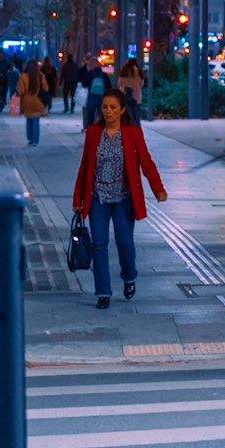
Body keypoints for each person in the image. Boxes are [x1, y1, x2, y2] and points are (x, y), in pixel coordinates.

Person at [72, 86, 167, 307]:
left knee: (124, 242)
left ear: (123, 110)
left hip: (123, 198)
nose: (108, 111)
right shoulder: (94, 133)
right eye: (105, 107)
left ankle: (129, 276)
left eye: (113, 107)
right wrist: (78, 199)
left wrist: (158, 188)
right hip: (98, 198)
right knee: (99, 244)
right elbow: (85, 166)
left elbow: (146, 162)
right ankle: (103, 292)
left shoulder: (133, 133)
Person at [18, 60, 46, 147]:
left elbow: (20, 91)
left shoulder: (23, 77)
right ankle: (35, 140)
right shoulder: (40, 76)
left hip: (27, 101)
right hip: (38, 101)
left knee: (29, 119)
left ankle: (30, 138)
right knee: (36, 120)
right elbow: (46, 88)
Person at [117, 60, 146, 124]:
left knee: (126, 116)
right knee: (136, 116)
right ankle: (137, 130)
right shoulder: (139, 71)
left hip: (125, 95)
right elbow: (141, 84)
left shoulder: (124, 71)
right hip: (136, 96)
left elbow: (119, 83)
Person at [82, 62, 109, 128]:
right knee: (102, 114)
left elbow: (84, 84)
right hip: (102, 97)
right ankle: (103, 128)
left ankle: (90, 129)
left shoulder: (90, 73)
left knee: (90, 115)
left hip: (92, 96)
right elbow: (109, 86)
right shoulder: (104, 74)